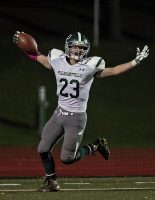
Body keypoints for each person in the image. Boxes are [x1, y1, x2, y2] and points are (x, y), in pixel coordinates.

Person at [13, 31, 149, 192]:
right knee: (42, 148)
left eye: (81, 48)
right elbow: (38, 57)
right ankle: (51, 182)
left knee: (67, 158)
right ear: (67, 47)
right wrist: (24, 46)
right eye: (75, 47)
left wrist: (136, 61)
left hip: (76, 118)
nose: (78, 51)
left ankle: (96, 147)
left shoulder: (90, 65)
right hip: (59, 113)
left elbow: (114, 71)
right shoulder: (57, 59)